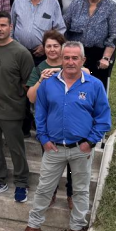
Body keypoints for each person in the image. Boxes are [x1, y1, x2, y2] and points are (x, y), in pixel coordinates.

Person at [16, 41, 111, 231]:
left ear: (83, 60)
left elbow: (103, 118)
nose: (70, 62)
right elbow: (39, 113)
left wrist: (90, 142)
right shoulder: (49, 84)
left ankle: (76, 229)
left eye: (74, 58)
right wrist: (43, 138)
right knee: (43, 189)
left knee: (80, 190)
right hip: (53, 148)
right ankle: (34, 225)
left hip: (81, 149)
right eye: (66, 58)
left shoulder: (94, 85)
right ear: (61, 59)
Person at [0, 11, 34, 203]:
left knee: (16, 149)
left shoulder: (21, 53)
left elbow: (29, 83)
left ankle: (21, 182)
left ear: (11, 27)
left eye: (3, 25)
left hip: (12, 110)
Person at [26, 30, 81, 210]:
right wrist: (42, 78)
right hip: (49, 127)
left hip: (73, 123)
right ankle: (52, 192)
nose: (52, 49)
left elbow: (87, 72)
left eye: (55, 46)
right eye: (48, 46)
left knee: (74, 165)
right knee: (50, 165)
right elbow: (31, 97)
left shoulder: (71, 63)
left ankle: (72, 194)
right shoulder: (39, 68)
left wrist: (58, 70)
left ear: (62, 47)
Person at [63, 0, 116, 89]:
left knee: (96, 86)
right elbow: (64, 25)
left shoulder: (110, 6)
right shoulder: (76, 3)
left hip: (99, 53)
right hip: (77, 52)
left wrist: (106, 58)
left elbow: (115, 34)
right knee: (75, 84)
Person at [13, 0, 66, 65]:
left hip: (43, 55)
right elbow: (11, 26)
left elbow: (59, 29)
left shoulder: (53, 2)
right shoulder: (18, 1)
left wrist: (45, 46)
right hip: (19, 53)